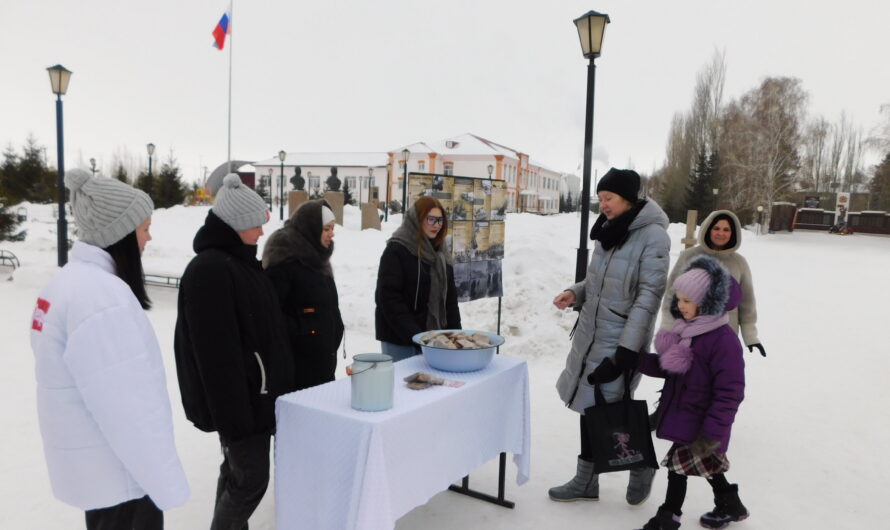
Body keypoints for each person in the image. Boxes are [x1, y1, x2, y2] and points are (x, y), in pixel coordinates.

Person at [30, 168, 189, 529]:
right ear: (120, 233)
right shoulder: (102, 298)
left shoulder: (68, 284)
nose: (149, 238)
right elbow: (128, 409)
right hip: (122, 478)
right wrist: (164, 483)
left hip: (98, 473)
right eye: (144, 228)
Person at [173, 174, 296, 530]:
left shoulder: (240, 263)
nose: (261, 231)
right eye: (256, 223)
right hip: (243, 406)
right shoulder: (211, 270)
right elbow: (215, 357)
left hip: (255, 400)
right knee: (250, 480)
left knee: (236, 476)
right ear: (236, 224)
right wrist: (235, 420)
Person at [590, 255, 748, 530]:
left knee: (677, 470)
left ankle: (668, 517)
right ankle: (731, 505)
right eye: (679, 299)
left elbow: (730, 393)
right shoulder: (689, 332)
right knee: (709, 467)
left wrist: (712, 432)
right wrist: (636, 360)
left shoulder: (723, 341)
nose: (680, 305)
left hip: (702, 426)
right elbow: (671, 368)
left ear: (707, 302)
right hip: (686, 419)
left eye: (688, 300)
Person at [550, 168, 670, 506]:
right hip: (591, 331)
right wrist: (575, 293)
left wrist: (627, 350)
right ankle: (587, 480)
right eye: (600, 198)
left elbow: (649, 296)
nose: (603, 204)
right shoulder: (608, 229)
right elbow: (599, 281)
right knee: (589, 405)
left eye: (609, 198)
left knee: (614, 408)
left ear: (628, 199)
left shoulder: (653, 236)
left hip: (619, 338)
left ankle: (641, 466)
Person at [263, 200, 344, 389]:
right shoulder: (284, 261)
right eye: (326, 229)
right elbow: (270, 315)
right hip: (296, 370)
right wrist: (308, 331)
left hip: (322, 365)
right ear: (310, 228)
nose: (332, 234)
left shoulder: (319, 259)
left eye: (332, 228)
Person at [660, 210, 765, 357]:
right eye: (716, 228)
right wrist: (668, 329)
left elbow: (747, 303)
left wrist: (750, 335)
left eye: (726, 230)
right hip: (690, 333)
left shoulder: (739, 263)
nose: (721, 233)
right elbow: (671, 296)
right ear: (708, 229)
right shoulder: (689, 256)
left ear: (733, 233)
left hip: (725, 335)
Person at [375, 196, 461, 361]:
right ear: (417, 219)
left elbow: (450, 301)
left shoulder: (441, 254)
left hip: (435, 340)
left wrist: (456, 336)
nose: (436, 225)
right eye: (431, 219)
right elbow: (389, 298)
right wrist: (416, 336)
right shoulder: (397, 250)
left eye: (440, 220)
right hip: (400, 341)